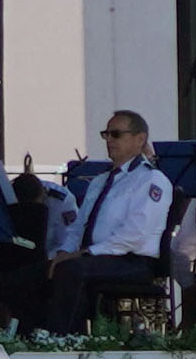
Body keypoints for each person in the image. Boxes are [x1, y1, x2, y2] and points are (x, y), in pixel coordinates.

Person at [50, 110, 181, 324]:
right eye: (107, 134)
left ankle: (64, 340)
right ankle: (31, 339)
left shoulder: (151, 180)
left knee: (70, 271)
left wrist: (83, 254)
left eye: (116, 134)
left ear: (140, 139)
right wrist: (63, 252)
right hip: (96, 257)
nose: (109, 139)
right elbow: (78, 227)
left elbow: (134, 235)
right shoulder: (99, 181)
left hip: (132, 260)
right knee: (33, 274)